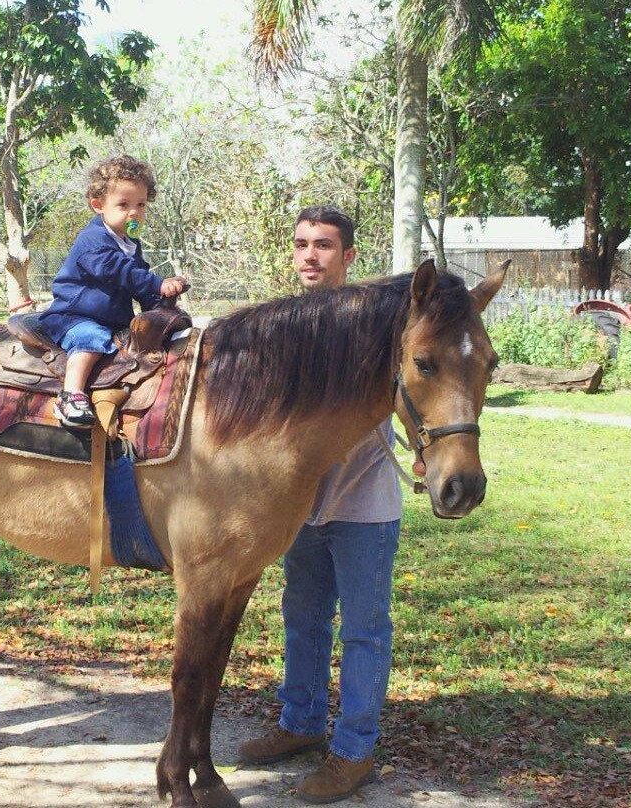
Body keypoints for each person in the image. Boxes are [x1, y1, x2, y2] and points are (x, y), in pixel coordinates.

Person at [238, 206, 411, 804]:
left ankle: (354, 751)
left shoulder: (377, 324)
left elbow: (419, 388)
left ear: (349, 256)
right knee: (303, 618)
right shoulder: (285, 324)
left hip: (365, 504)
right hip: (300, 507)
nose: (311, 255)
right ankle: (301, 723)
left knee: (364, 631)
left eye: (325, 246)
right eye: (302, 245)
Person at [39, 155, 186, 428]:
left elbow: (138, 283)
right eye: (123, 205)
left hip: (110, 318)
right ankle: (71, 395)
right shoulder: (93, 241)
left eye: (140, 204)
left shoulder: (130, 243)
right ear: (98, 206)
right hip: (75, 315)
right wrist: (157, 283)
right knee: (90, 339)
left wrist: (161, 305)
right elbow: (121, 272)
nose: (134, 212)